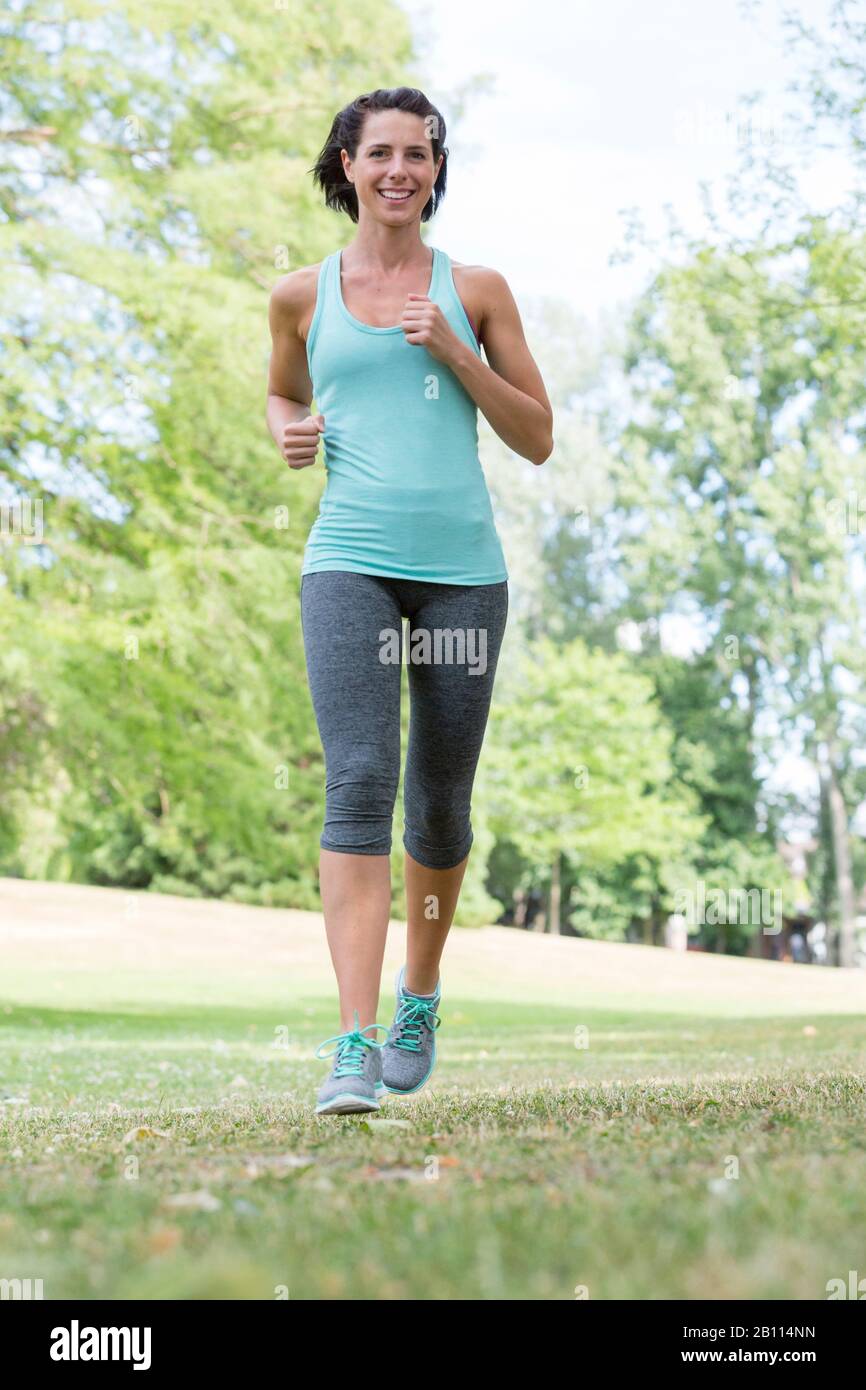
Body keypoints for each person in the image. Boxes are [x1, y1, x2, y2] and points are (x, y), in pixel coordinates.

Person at [265, 87, 553, 1114]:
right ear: (345, 163)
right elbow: (284, 388)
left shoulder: (474, 289)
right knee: (356, 778)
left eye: (418, 154)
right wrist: (286, 429)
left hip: (461, 575)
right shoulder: (301, 295)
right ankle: (350, 1043)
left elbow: (535, 435)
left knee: (436, 801)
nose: (400, 170)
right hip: (347, 559)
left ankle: (416, 995)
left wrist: (453, 352)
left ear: (435, 170)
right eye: (379, 152)